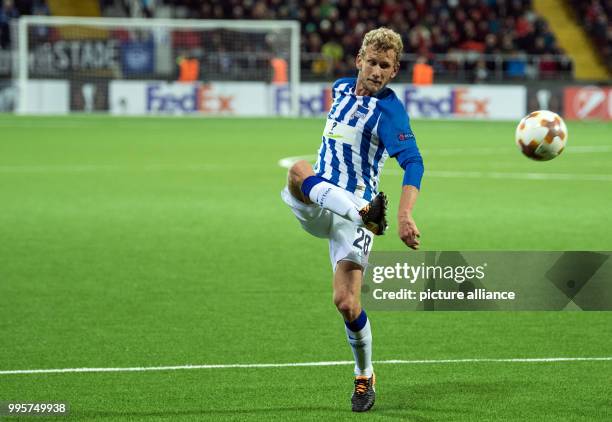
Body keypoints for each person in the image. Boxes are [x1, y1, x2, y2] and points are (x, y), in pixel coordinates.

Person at [281, 27, 423, 413]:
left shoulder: (390, 112)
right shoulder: (340, 88)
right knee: (298, 171)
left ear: (394, 72)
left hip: (356, 210)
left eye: (386, 66)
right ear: (359, 60)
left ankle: (365, 375)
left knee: (346, 302)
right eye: (372, 62)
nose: (377, 71)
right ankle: (363, 214)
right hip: (327, 201)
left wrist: (406, 213)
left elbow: (414, 162)